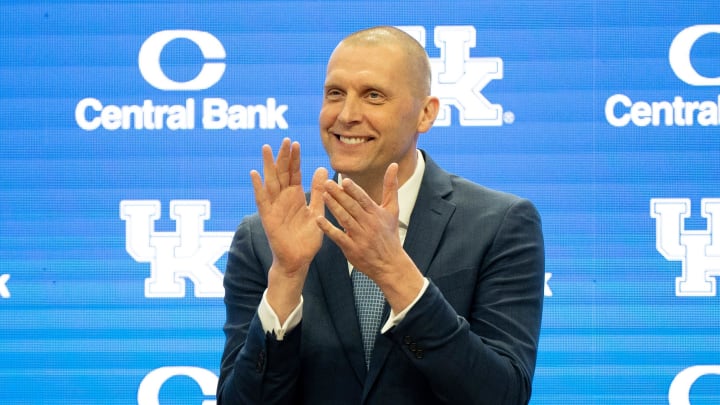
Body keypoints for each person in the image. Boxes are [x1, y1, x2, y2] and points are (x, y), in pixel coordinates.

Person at [217, 26, 544, 405]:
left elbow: (503, 395)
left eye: (373, 96)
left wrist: (395, 274)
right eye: (335, 94)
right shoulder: (263, 238)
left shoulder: (499, 223)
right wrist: (287, 278)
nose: (347, 115)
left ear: (425, 114)